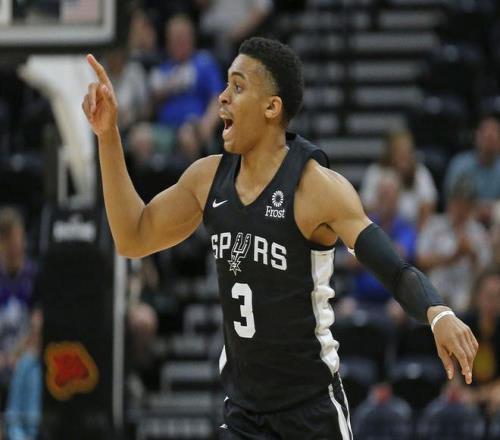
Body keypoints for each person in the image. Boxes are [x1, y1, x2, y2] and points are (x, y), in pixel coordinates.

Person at [82, 37, 478, 439]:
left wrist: (438, 314)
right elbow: (133, 237)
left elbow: (393, 269)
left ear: (272, 107)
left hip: (311, 413)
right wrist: (108, 135)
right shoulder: (207, 179)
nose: (222, 97)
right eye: (225, 85)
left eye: (238, 86)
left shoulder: (317, 188)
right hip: (244, 414)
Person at [417, 178, 491, 313]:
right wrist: (452, 257)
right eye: (457, 203)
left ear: (472, 207)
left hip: (465, 293)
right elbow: (421, 260)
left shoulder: (479, 232)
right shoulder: (434, 224)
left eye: (465, 205)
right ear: (449, 202)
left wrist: (472, 255)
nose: (461, 209)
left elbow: (484, 272)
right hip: (436, 288)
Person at [149, 14, 223, 144]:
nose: (179, 42)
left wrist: (206, 125)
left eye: (182, 37)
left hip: (194, 127)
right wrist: (159, 95)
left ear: (192, 38)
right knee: (140, 138)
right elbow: (151, 108)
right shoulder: (162, 70)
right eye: (174, 38)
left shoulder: (204, 62)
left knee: (186, 136)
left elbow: (218, 99)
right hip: (165, 129)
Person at [360, 129, 437, 229]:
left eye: (406, 152)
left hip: (413, 228)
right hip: (380, 227)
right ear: (390, 152)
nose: (403, 156)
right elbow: (365, 206)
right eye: (399, 152)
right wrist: (385, 204)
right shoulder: (376, 172)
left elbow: (428, 204)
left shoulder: (420, 173)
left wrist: (418, 234)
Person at [443, 115, 500, 225]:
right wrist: (475, 210)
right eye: (486, 137)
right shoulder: (459, 164)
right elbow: (451, 200)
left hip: (495, 223)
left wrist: (492, 210)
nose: (489, 143)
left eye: (493, 138)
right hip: (464, 219)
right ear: (477, 137)